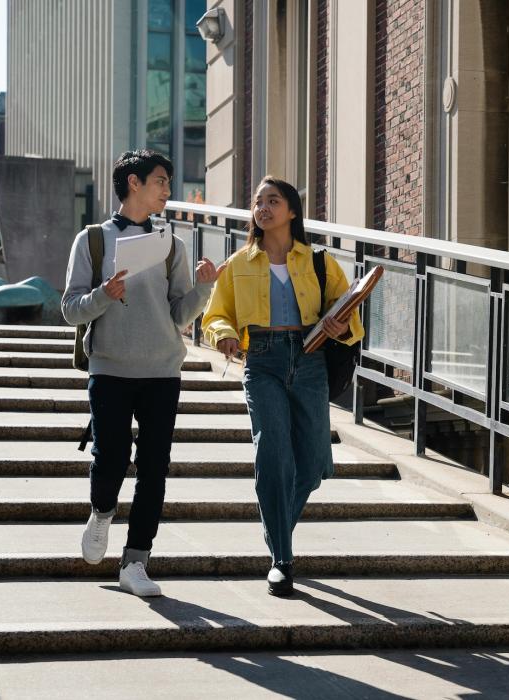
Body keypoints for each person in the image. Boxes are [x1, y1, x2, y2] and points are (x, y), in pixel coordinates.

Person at [62, 149, 223, 597]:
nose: (168, 190)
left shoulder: (173, 244)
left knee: (155, 467)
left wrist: (205, 287)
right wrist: (104, 295)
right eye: (160, 181)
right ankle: (101, 511)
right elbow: (70, 310)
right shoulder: (91, 241)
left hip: (162, 370)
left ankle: (136, 562)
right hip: (110, 368)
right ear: (133, 183)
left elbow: (178, 316)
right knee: (110, 456)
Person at [202, 176, 364, 596]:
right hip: (263, 361)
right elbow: (214, 314)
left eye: (273, 200)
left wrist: (339, 323)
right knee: (273, 454)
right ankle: (282, 558)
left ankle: (276, 530)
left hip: (310, 358)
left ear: (292, 211)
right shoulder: (238, 263)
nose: (263, 207)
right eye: (258, 201)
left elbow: (352, 319)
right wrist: (223, 333)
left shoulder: (320, 262)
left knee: (311, 464)